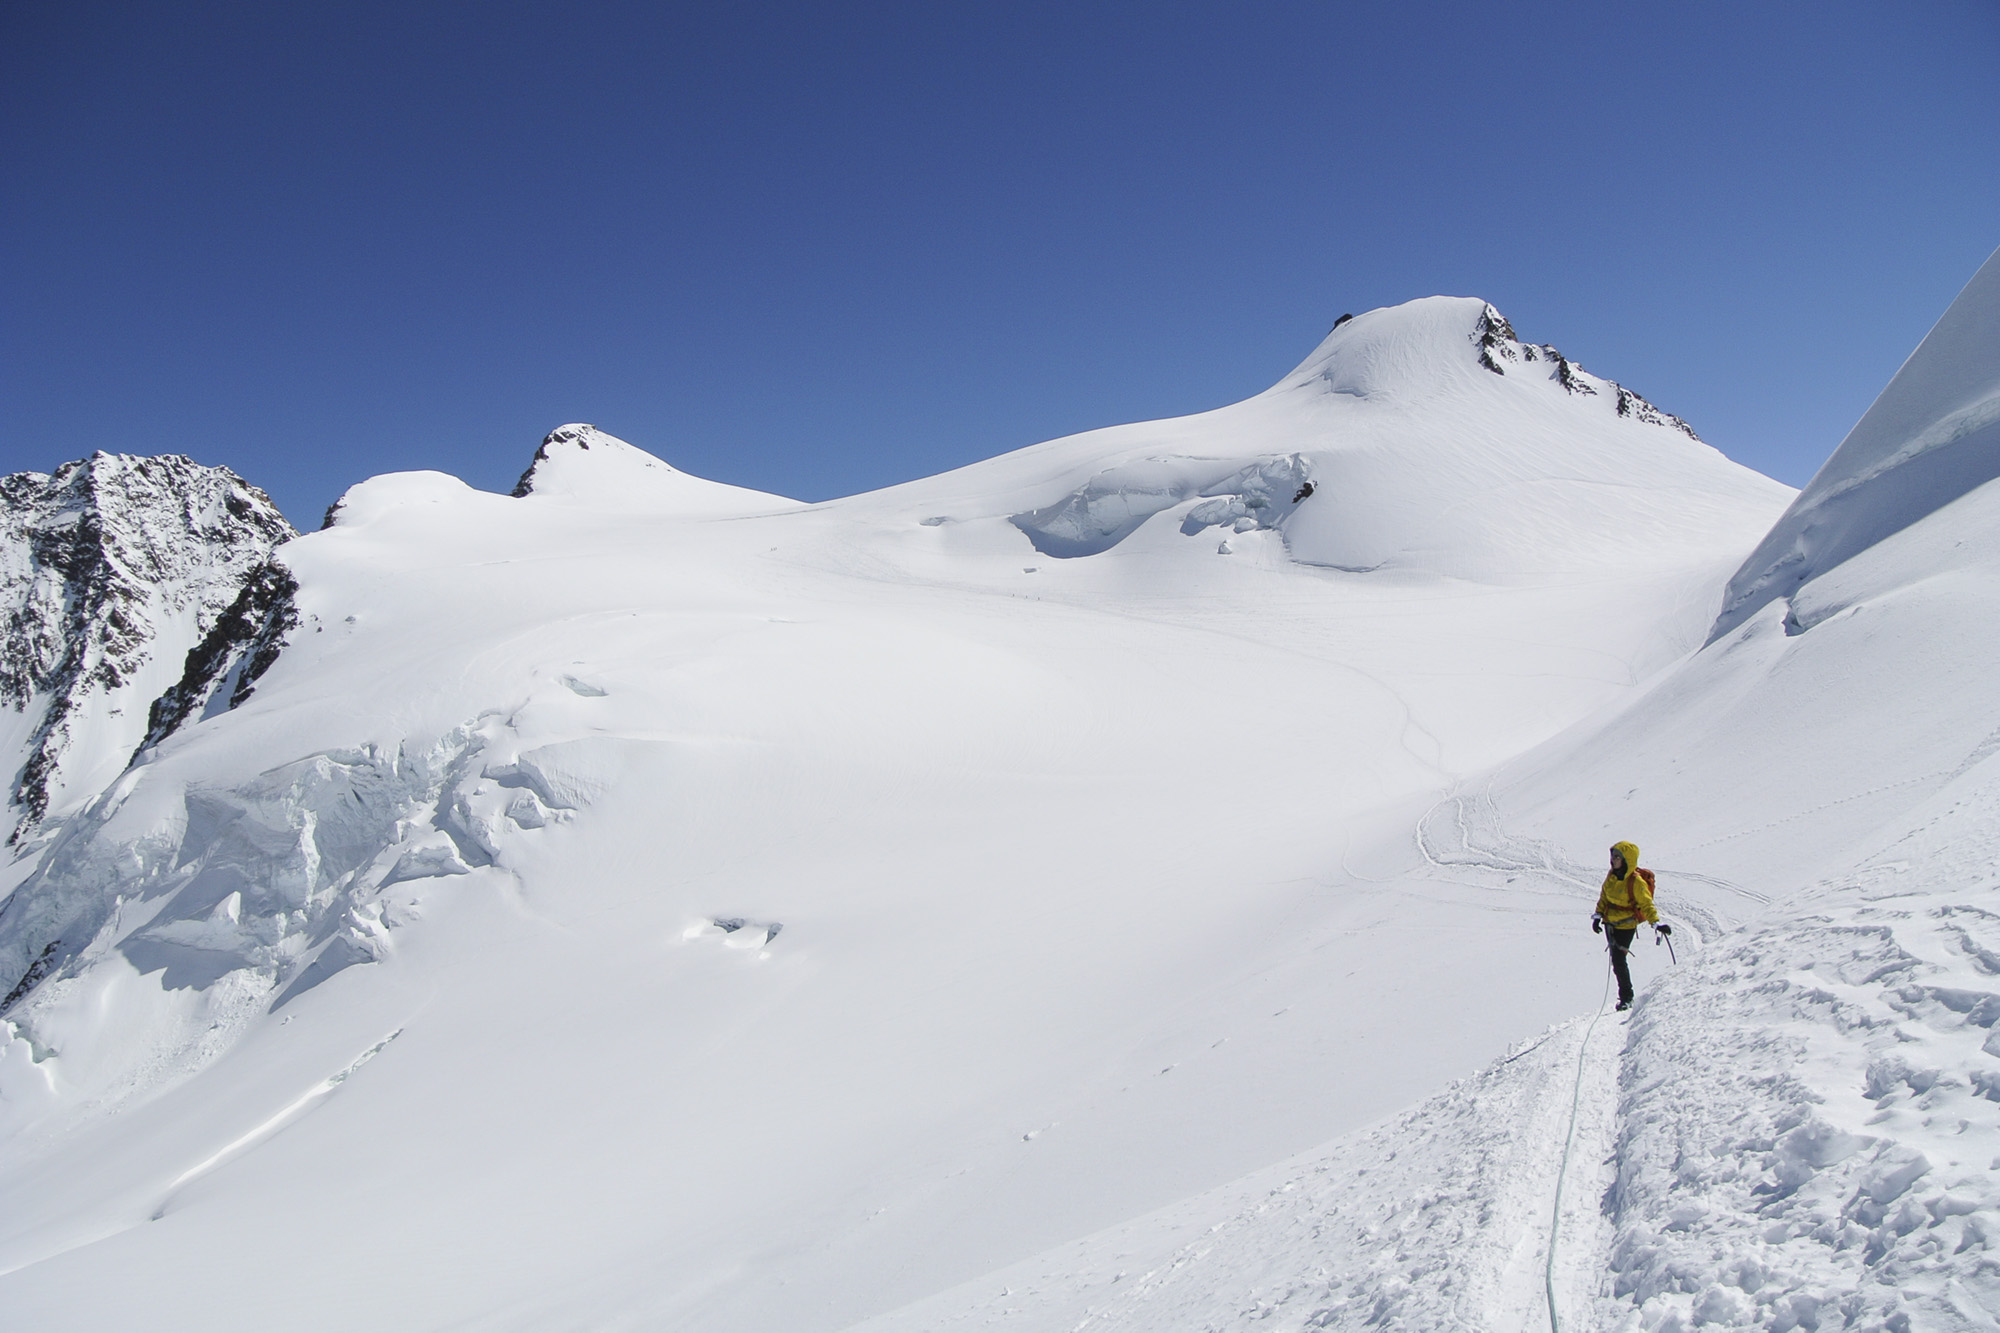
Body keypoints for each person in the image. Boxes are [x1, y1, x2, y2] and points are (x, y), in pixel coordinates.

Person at [1592, 840, 1670, 1011]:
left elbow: (1646, 904)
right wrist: (1598, 915)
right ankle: (1626, 996)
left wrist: (1656, 923)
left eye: (1618, 857)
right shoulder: (1612, 876)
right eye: (1612, 856)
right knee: (1617, 960)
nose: (1613, 860)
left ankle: (1627, 997)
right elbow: (1604, 896)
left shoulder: (1635, 881)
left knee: (1619, 960)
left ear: (1627, 859)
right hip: (1609, 923)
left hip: (1626, 926)